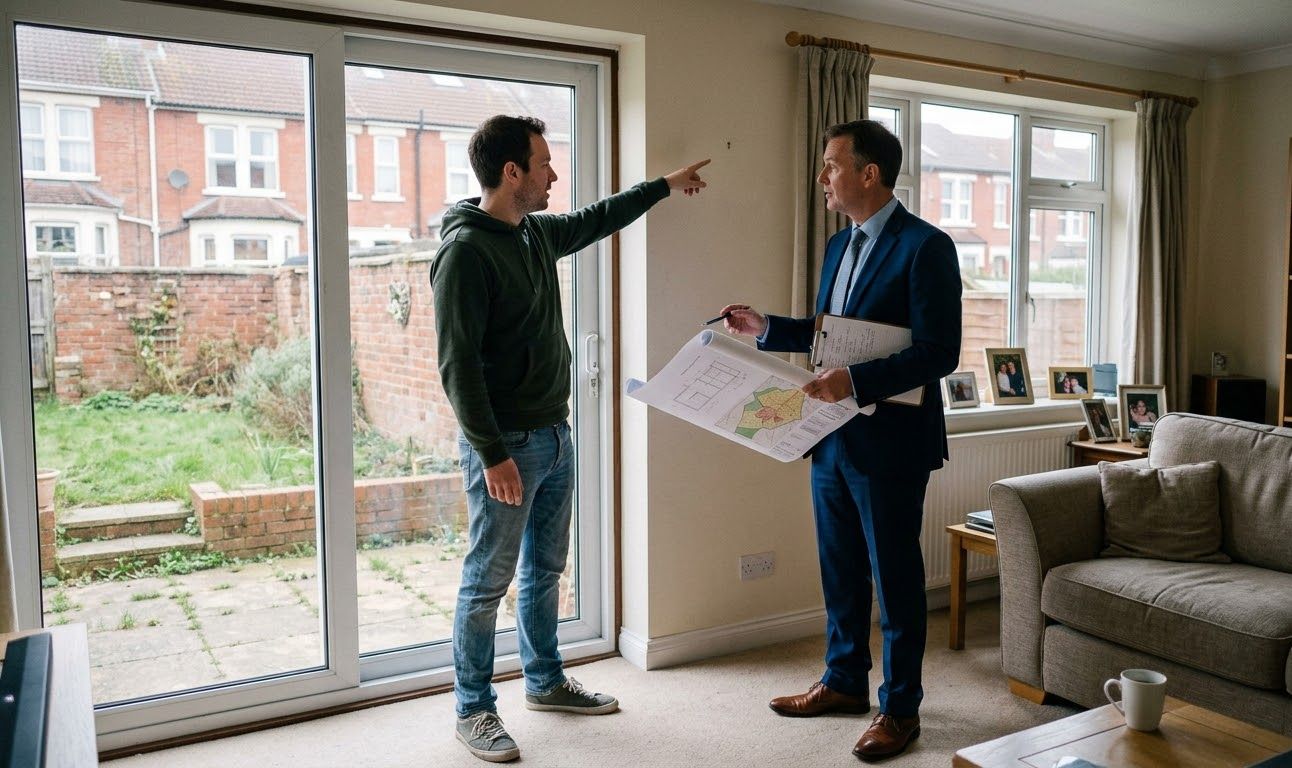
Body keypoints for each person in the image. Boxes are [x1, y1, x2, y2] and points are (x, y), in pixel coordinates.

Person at [431, 114, 709, 763]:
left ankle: (545, 681)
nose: (554, 174)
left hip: (556, 435)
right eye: (544, 163)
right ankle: (473, 709)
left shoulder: (531, 234)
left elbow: (599, 217)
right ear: (512, 172)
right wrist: (492, 453)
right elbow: (457, 365)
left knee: (546, 571)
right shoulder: (466, 252)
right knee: (486, 580)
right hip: (509, 446)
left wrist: (663, 185)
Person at [718, 119, 961, 761]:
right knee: (841, 573)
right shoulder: (836, 247)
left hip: (892, 445)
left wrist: (853, 381)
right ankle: (844, 682)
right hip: (830, 439)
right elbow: (832, 334)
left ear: (869, 172)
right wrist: (768, 327)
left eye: (830, 165)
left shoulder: (926, 247)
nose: (823, 177)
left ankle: (900, 709)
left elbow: (940, 352)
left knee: (896, 580)